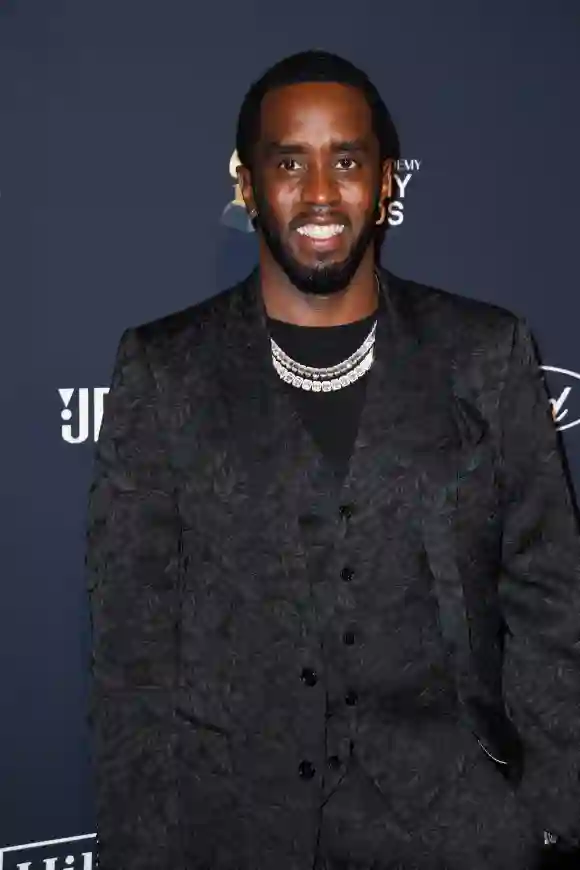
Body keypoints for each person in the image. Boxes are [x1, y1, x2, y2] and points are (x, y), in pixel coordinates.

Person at [85, 50, 580, 870]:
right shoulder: (164, 369)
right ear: (245, 185)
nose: (320, 193)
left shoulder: (484, 353)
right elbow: (131, 648)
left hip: (455, 828)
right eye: (290, 163)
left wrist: (549, 818)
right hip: (234, 832)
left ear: (385, 181)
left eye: (346, 160)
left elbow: (550, 600)